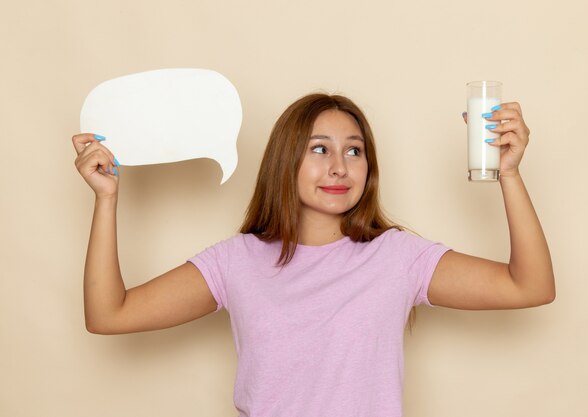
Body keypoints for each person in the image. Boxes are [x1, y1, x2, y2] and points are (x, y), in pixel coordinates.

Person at [72, 93, 555, 417]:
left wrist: (508, 174)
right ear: (287, 160)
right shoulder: (235, 262)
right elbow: (109, 314)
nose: (340, 167)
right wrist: (107, 199)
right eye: (320, 149)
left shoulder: (398, 258)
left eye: (355, 150)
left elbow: (529, 286)